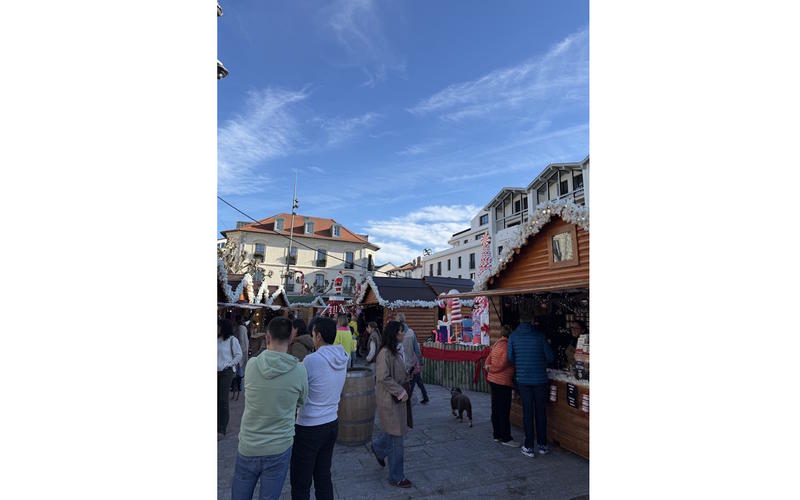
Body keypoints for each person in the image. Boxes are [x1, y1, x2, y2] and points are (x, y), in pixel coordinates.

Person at [232, 318, 309, 500]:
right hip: (279, 447)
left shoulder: (252, 365)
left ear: (267, 338)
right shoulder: (299, 370)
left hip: (249, 445)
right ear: (291, 339)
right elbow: (301, 401)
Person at [290, 318, 348, 500]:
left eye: (313, 334)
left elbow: (298, 390)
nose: (313, 338)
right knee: (323, 476)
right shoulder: (343, 357)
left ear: (319, 336)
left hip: (309, 426)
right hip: (331, 423)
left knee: (301, 481)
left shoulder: (311, 360)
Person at [370, 321, 413, 488]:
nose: (403, 334)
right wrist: (400, 391)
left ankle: (378, 448)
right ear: (395, 333)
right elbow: (383, 377)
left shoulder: (394, 350)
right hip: (390, 401)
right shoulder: (385, 353)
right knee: (397, 438)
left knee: (395, 432)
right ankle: (396, 476)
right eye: (401, 331)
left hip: (397, 400)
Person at [507, 309, 554, 458]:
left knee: (527, 414)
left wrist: (522, 362)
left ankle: (529, 447)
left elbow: (510, 357)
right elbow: (550, 357)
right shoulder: (540, 336)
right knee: (541, 412)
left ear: (520, 321)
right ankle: (542, 445)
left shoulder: (513, 337)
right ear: (532, 321)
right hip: (540, 380)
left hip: (523, 380)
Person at [485, 325, 517, 446]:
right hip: (503, 381)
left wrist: (489, 369)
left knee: (496, 407)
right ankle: (506, 438)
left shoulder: (497, 344)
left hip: (493, 380)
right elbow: (503, 363)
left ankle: (497, 434)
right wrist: (493, 369)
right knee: (503, 409)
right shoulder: (507, 346)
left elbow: (488, 360)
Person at [219, 320, 243, 440]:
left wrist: (229, 364)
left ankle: (221, 428)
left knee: (223, 400)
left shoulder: (232, 340)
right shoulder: (216, 340)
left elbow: (239, 355)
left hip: (226, 372)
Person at [397, 312, 428, 404]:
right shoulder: (411, 332)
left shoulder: (397, 333)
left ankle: (406, 401)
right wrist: (421, 362)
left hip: (401, 364)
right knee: (416, 381)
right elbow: (417, 349)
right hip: (411, 363)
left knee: (408, 384)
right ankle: (423, 397)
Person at [231, 316, 250, 401]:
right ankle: (238, 389)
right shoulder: (244, 328)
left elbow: (241, 340)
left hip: (240, 351)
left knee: (238, 373)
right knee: (240, 371)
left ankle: (238, 389)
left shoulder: (240, 328)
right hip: (243, 350)